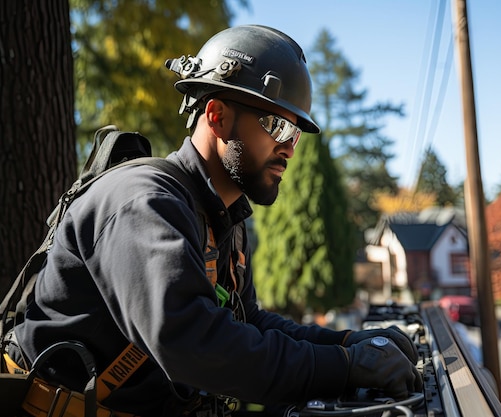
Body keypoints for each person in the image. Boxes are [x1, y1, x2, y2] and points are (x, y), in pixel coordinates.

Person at [9, 25, 421, 417]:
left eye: (294, 134)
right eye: (277, 124)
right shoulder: (145, 203)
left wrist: (349, 343)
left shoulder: (222, 216)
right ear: (217, 115)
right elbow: (192, 343)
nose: (288, 148)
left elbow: (248, 321)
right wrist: (342, 366)